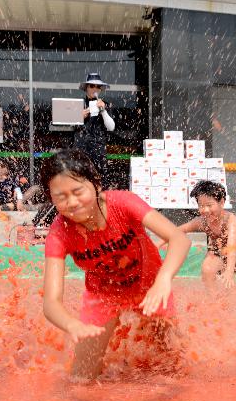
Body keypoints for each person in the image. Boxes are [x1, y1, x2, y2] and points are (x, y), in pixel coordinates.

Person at [41, 149, 191, 380]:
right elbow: (51, 302)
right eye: (60, 197)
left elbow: (179, 238)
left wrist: (163, 281)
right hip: (104, 295)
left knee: (173, 363)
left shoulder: (122, 203)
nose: (72, 202)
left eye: (78, 191)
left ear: (96, 184)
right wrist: (72, 325)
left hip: (150, 287)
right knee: (81, 377)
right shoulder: (60, 233)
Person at [176, 180, 236, 292]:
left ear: (222, 202)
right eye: (201, 206)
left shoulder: (231, 221)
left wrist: (229, 271)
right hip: (218, 253)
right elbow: (179, 230)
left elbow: (232, 249)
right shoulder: (202, 222)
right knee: (208, 267)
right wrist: (160, 242)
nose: (205, 210)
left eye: (209, 205)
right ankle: (214, 299)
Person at [73, 73, 116, 188]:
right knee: (79, 178)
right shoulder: (78, 104)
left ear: (101, 89)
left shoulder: (105, 105)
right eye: (91, 86)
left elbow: (111, 127)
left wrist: (103, 111)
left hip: (98, 148)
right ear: (86, 88)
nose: (95, 89)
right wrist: (80, 117)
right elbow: (69, 126)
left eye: (98, 86)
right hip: (81, 147)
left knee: (98, 178)